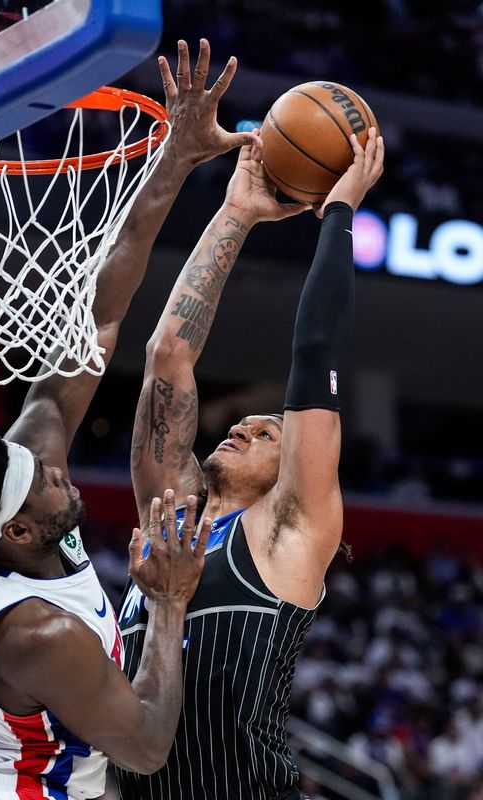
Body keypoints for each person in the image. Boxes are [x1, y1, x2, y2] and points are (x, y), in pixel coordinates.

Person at [0, 40, 260, 800]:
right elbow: (144, 746)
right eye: (38, 481)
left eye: (34, 461)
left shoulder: (11, 499)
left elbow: (97, 320)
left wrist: (176, 156)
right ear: (20, 534)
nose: (50, 460)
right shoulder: (37, 631)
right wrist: (168, 604)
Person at [117, 115, 385, 800]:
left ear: (289, 468)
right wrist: (236, 212)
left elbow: (315, 352)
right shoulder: (173, 517)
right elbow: (167, 356)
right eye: (242, 423)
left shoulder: (287, 531)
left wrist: (339, 213)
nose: (241, 426)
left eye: (267, 433)